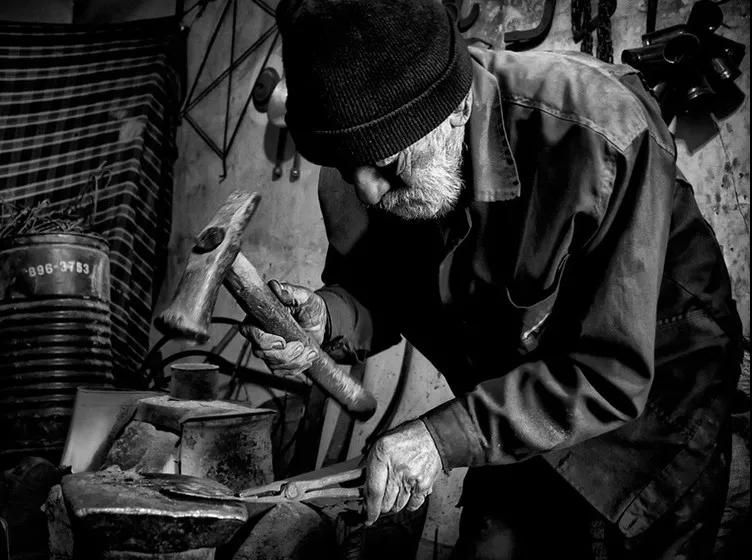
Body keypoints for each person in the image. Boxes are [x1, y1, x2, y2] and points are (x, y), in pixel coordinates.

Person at [242, 0, 744, 558]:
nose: (367, 192)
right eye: (344, 165)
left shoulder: (600, 133)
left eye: (387, 166)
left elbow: (613, 371)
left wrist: (440, 438)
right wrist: (326, 315)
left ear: (457, 110)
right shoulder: (360, 175)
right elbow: (379, 294)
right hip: (508, 409)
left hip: (650, 416)